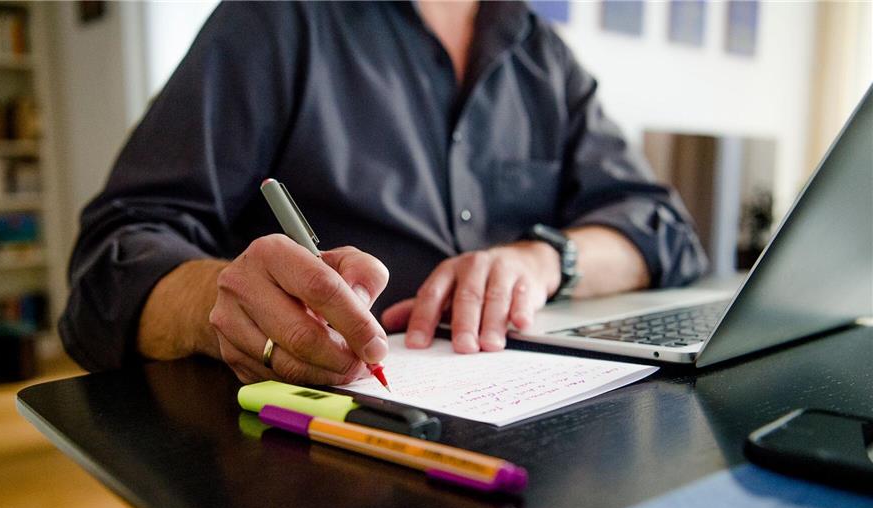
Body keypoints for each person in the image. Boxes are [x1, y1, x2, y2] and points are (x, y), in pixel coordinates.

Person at [60, 1, 707, 385]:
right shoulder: (277, 18)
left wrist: (543, 261)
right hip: (322, 466)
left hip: (536, 430)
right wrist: (217, 298)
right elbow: (110, 259)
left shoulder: (545, 59)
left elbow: (663, 228)